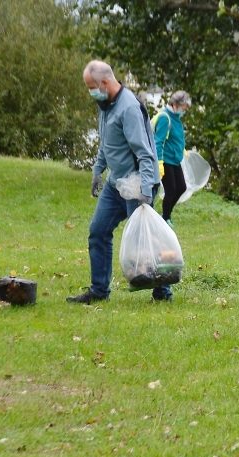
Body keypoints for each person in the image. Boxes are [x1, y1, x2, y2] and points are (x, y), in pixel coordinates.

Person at [67, 60, 172, 304]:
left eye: (91, 86)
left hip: (137, 184)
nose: (90, 92)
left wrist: (146, 191)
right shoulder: (104, 105)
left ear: (104, 83)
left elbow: (145, 152)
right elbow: (106, 142)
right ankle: (99, 291)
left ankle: (163, 290)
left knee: (145, 240)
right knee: (98, 231)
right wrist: (97, 169)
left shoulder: (129, 109)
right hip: (116, 183)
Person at [153, 90, 191, 228]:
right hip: (166, 160)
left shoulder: (176, 118)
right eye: (184, 107)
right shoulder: (165, 117)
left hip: (175, 159)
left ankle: (166, 215)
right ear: (175, 104)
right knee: (171, 190)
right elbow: (159, 141)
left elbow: (176, 137)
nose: (184, 110)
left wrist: (182, 149)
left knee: (182, 187)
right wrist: (159, 163)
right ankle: (165, 218)